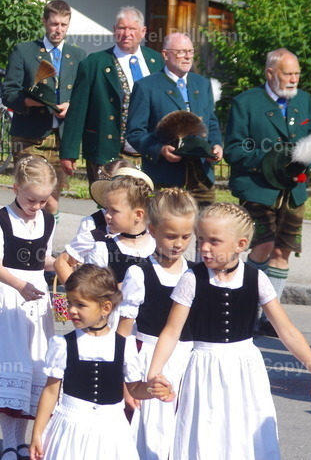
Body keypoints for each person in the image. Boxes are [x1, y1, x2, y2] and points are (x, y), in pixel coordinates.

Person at [146, 203, 311, 459]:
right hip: (204, 368)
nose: (204, 247)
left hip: (246, 369)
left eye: (214, 241)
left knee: (246, 434)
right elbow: (171, 331)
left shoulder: (256, 278)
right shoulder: (191, 278)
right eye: (201, 239)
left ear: (240, 244)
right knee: (206, 436)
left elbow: (286, 330)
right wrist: (154, 373)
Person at [224, 48, 311, 337]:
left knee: (282, 251)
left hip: (293, 190)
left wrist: (308, 158)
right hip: (258, 188)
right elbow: (234, 150)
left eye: (297, 73)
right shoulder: (245, 102)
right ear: (270, 73)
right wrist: (271, 160)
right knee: (263, 247)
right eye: (288, 74)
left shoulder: (303, 99)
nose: (294, 79)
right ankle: (247, 311)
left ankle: (269, 318)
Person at [29, 264, 152, 460]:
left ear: (105, 308)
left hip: (112, 430)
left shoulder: (124, 345)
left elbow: (135, 389)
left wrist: (154, 389)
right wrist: (37, 433)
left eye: (80, 305)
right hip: (71, 427)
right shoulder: (63, 344)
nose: (72, 310)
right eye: (69, 302)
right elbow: (51, 392)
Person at [0, 155, 58, 455]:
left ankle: (23, 440)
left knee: (34, 366)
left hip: (36, 297)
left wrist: (63, 263)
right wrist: (19, 285)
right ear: (15, 189)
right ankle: (8, 443)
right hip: (9, 295)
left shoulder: (47, 220)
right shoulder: (0, 219)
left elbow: (43, 259)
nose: (37, 206)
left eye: (43, 200)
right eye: (31, 200)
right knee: (12, 364)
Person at [117, 188, 197, 460]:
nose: (179, 244)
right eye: (171, 236)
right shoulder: (140, 273)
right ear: (152, 230)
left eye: (186, 236)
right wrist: (127, 384)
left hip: (189, 362)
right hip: (149, 360)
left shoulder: (196, 273)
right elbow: (124, 333)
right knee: (151, 434)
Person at [60, 7, 163, 184]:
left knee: (145, 200)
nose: (126, 34)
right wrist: (69, 152)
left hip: (149, 153)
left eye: (132, 29)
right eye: (121, 28)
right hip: (106, 150)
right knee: (107, 199)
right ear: (114, 30)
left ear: (143, 31)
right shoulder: (94, 63)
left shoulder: (156, 61)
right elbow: (77, 111)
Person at [2, 0, 85, 214]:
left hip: (62, 137)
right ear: (44, 22)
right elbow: (9, 93)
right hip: (30, 136)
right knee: (31, 196)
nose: (59, 30)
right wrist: (31, 101)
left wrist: (71, 105)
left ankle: (46, 235)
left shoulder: (78, 56)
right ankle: (21, 231)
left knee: (52, 200)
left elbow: (83, 95)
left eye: (64, 25)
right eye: (54, 24)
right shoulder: (24, 51)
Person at [125, 32, 223, 206]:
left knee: (204, 222)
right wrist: (160, 149)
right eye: (181, 52)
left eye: (190, 52)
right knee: (166, 221)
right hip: (165, 175)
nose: (187, 57)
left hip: (201, 176)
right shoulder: (146, 87)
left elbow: (211, 123)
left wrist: (216, 145)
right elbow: (135, 133)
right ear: (165, 54)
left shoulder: (202, 84)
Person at [54, 168, 155, 286]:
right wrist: (77, 292)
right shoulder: (98, 238)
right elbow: (61, 262)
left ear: (138, 215)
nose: (107, 215)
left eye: (114, 211)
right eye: (107, 208)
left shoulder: (156, 242)